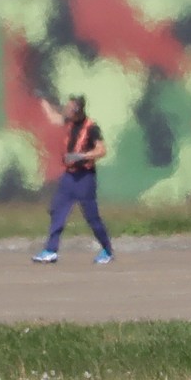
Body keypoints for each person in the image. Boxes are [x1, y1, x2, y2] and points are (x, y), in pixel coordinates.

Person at [34, 94, 113, 265]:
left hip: (85, 177)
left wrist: (81, 156)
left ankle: (107, 249)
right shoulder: (70, 122)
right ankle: (51, 250)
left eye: (69, 108)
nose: (66, 111)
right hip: (69, 177)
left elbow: (102, 150)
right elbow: (54, 118)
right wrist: (43, 101)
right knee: (57, 209)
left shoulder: (91, 128)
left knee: (92, 217)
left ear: (77, 110)